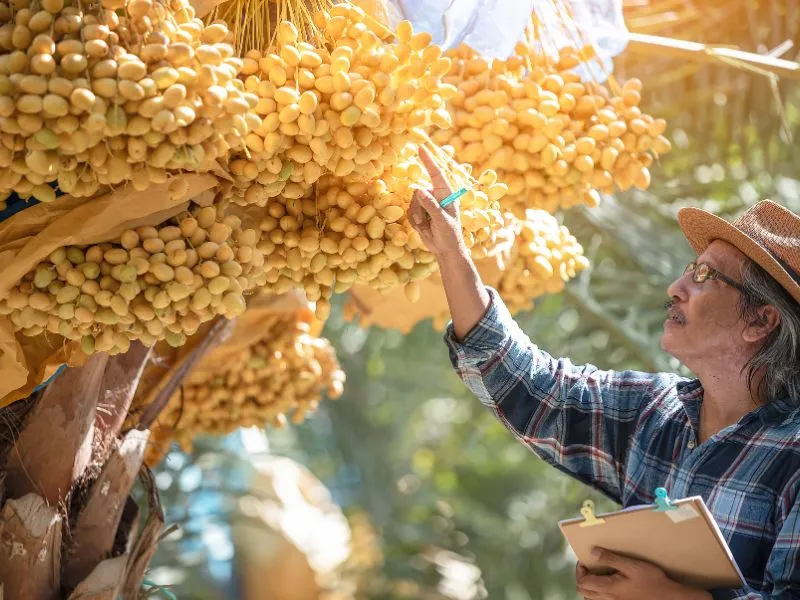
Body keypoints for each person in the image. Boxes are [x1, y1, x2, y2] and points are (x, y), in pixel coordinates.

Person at [408, 148, 800, 600]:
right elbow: (533, 389)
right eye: (690, 269)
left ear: (761, 321)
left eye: (706, 275)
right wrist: (451, 251)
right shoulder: (656, 411)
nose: (677, 288)